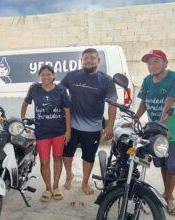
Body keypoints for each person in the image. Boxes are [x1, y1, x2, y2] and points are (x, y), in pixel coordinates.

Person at [135, 49, 175, 216]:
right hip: (156, 130)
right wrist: (135, 119)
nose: (152, 65)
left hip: (174, 130)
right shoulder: (147, 80)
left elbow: (170, 101)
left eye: (156, 61)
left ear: (165, 62)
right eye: (149, 62)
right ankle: (166, 191)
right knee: (163, 162)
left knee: (174, 165)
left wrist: (162, 122)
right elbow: (144, 102)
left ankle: (169, 196)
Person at [60, 48, 117, 195]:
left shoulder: (106, 80)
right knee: (67, 154)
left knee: (88, 156)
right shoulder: (72, 76)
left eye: (92, 58)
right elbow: (58, 91)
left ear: (98, 61)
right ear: (82, 61)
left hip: (93, 128)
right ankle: (69, 175)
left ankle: (85, 182)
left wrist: (110, 126)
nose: (89, 61)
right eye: (86, 58)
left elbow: (112, 104)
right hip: (71, 126)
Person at [21, 65, 71, 202]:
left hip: (59, 132)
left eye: (48, 74)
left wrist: (68, 131)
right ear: (39, 76)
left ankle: (56, 187)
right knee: (44, 162)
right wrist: (23, 122)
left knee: (57, 158)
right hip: (42, 132)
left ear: (53, 75)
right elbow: (25, 104)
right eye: (43, 74)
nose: (46, 77)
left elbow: (67, 111)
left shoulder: (61, 90)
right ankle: (47, 188)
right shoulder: (34, 89)